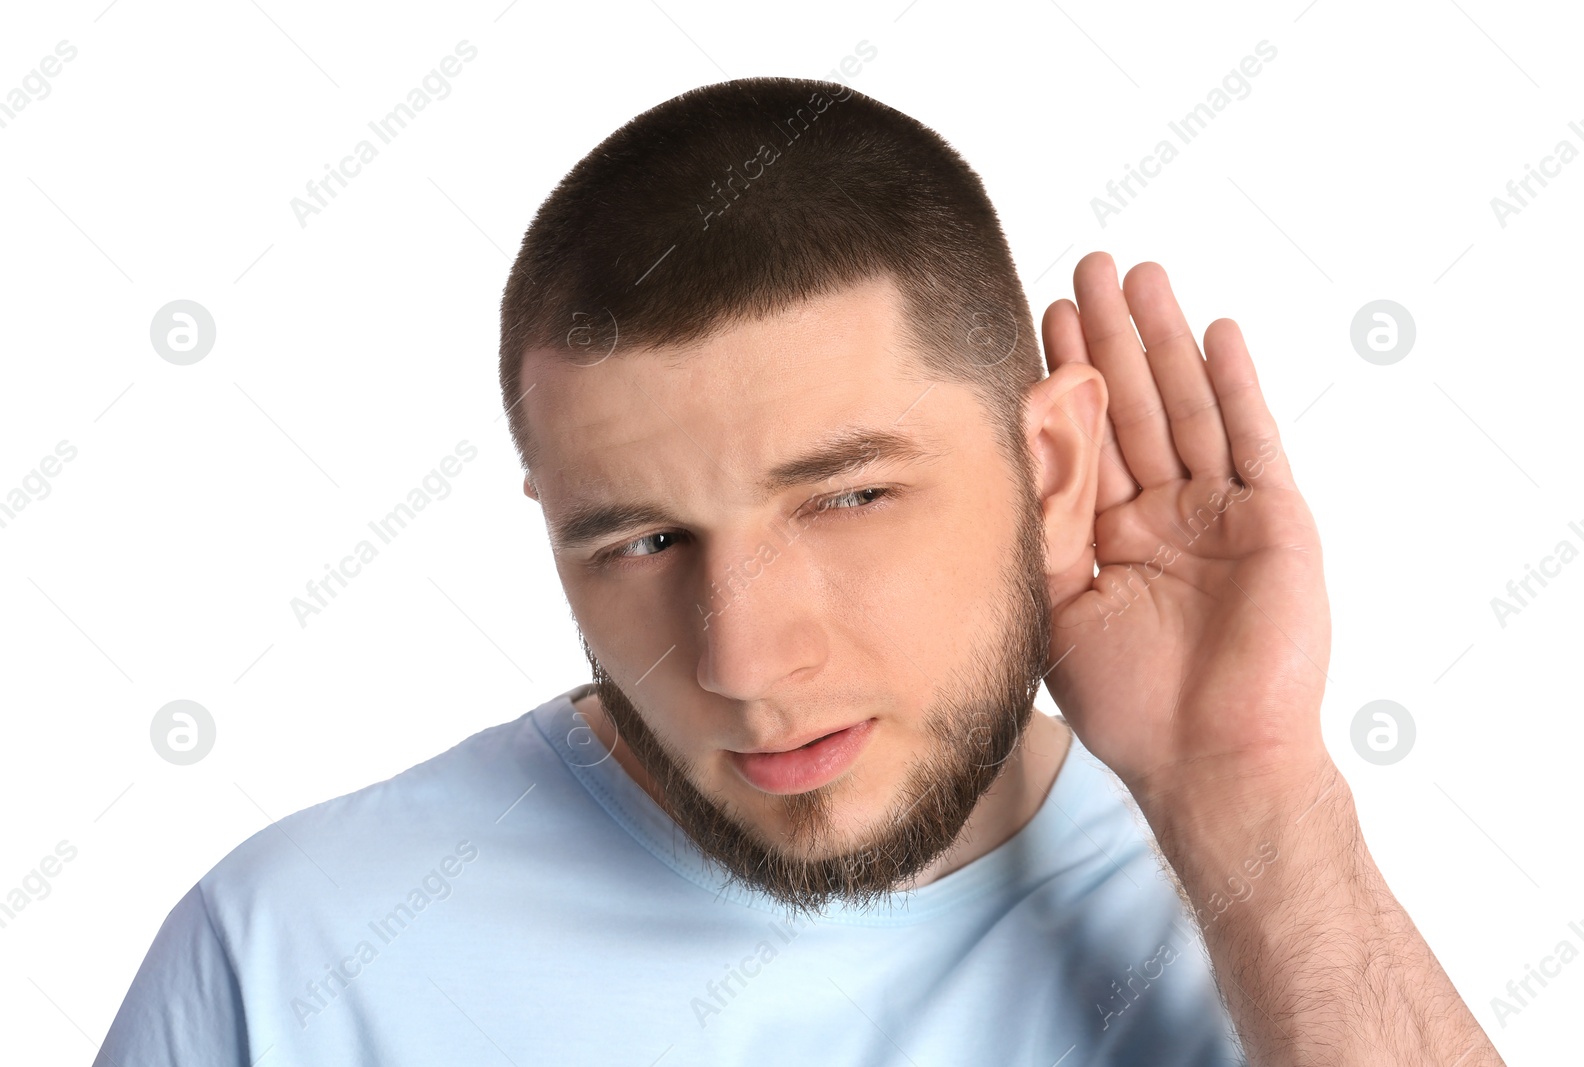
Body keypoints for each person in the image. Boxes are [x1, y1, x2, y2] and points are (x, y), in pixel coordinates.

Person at [95, 76, 1501, 1066]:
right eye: (641, 540)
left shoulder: (1271, 930)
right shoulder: (291, 961)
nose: (747, 666)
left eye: (848, 499)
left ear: (1055, 470)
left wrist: (1250, 791)